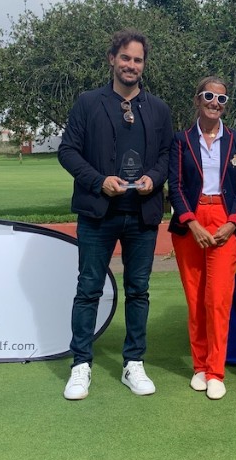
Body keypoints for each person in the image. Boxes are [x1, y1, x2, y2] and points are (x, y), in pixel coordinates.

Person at [58, 29, 172, 400]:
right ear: (112, 59)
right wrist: (97, 181)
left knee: (138, 290)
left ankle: (133, 363)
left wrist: (153, 180)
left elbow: (167, 157)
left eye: (138, 60)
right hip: (98, 213)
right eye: (125, 58)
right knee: (89, 288)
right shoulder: (88, 103)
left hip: (142, 215)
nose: (131, 65)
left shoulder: (158, 109)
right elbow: (68, 151)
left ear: (144, 65)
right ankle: (81, 365)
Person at [168, 77, 236, 400]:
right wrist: (191, 222)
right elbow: (174, 185)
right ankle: (199, 365)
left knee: (217, 299)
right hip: (191, 221)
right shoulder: (181, 140)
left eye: (221, 98)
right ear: (197, 99)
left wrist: (233, 222)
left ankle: (216, 370)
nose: (215, 103)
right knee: (195, 298)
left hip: (224, 220)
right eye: (208, 96)